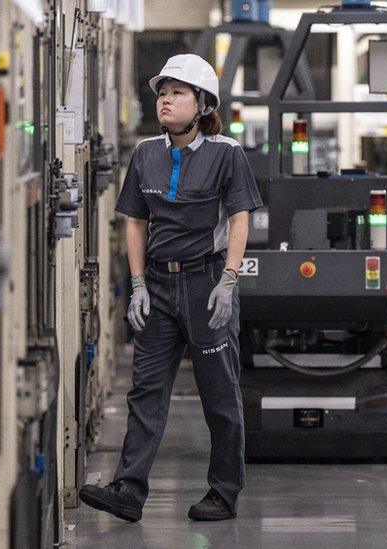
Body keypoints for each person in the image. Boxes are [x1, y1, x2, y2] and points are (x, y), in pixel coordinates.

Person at [78, 53, 262, 522]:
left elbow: (241, 217)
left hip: (207, 282)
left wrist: (229, 280)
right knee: (146, 389)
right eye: (162, 92)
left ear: (202, 104)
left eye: (178, 92)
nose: (166, 100)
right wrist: (138, 284)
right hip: (159, 284)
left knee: (219, 392)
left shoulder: (228, 153)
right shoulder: (145, 154)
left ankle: (223, 491)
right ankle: (129, 488)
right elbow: (136, 222)